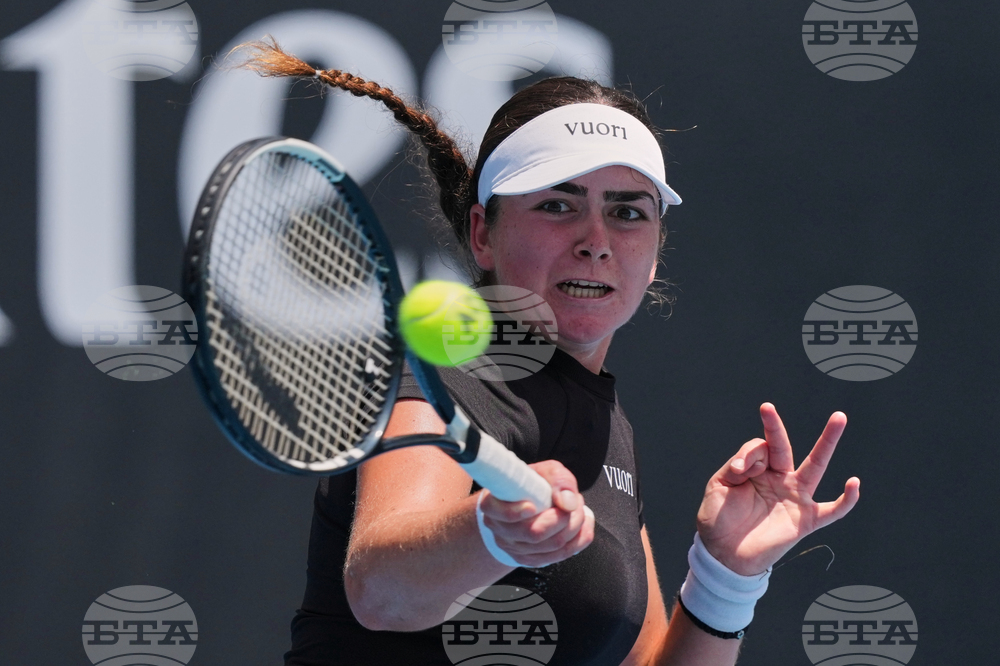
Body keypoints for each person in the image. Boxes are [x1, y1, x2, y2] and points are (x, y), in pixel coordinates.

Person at [236, 40, 861, 666]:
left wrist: (726, 576)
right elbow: (382, 590)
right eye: (557, 205)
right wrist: (491, 530)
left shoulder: (608, 424)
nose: (596, 240)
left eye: (627, 212)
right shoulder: (443, 373)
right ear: (483, 234)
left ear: (654, 253)